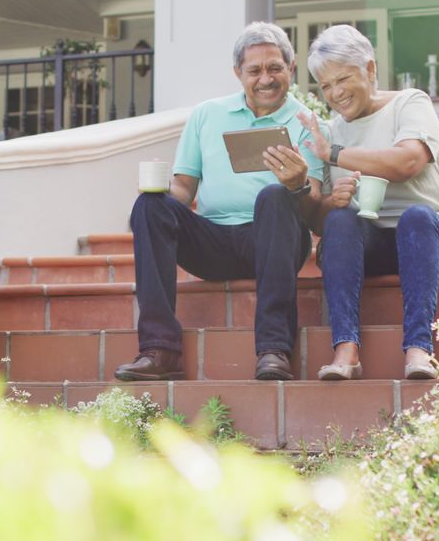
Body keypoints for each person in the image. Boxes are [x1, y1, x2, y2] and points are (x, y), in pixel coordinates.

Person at [114, 22, 324, 382]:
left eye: (275, 68)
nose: (265, 79)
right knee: (150, 205)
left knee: (275, 195)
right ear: (237, 73)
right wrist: (156, 201)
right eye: (254, 70)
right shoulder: (206, 115)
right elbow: (183, 189)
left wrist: (297, 184)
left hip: (275, 241)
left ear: (290, 69)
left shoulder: (307, 123)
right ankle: (159, 349)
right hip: (214, 242)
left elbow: (315, 200)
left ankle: (274, 349)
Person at [296, 25, 439, 381]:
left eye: (343, 79)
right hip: (372, 241)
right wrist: (334, 201)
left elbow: (407, 163)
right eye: (326, 86)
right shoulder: (329, 131)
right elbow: (321, 224)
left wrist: (336, 154)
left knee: (416, 217)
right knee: (341, 223)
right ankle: (346, 349)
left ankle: (419, 348)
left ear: (370, 69)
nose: (336, 93)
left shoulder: (410, 103)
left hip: (432, 235)